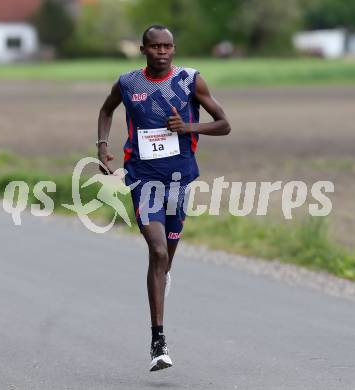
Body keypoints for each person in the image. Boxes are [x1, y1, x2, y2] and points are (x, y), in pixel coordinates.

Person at [97, 24, 231, 372]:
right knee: (156, 250)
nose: (162, 52)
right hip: (142, 177)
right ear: (143, 49)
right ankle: (158, 340)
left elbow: (224, 123)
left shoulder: (190, 81)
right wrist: (102, 148)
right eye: (155, 47)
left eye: (167, 46)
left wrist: (190, 128)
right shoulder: (128, 83)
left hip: (180, 178)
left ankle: (161, 276)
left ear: (173, 48)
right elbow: (106, 110)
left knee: (166, 258)